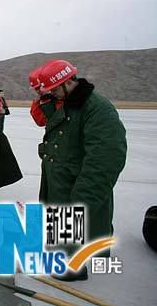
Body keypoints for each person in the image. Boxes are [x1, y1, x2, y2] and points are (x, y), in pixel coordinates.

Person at [37, 59, 127, 281]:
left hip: (76, 187)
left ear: (68, 82)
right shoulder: (71, 104)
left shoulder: (98, 109)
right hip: (61, 184)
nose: (54, 95)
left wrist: (82, 200)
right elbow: (64, 137)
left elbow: (105, 161)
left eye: (55, 89)